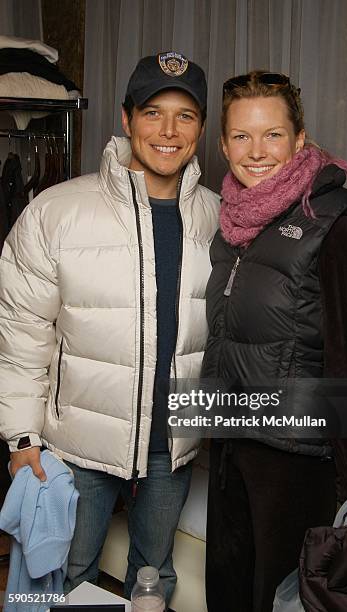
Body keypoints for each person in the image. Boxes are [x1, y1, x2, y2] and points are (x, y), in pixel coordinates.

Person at [0, 51, 219, 604]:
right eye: (152, 112)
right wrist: (22, 436)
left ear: (202, 127)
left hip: (174, 444)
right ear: (126, 119)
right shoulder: (57, 212)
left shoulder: (222, 219)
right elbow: (22, 332)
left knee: (155, 574)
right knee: (67, 578)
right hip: (79, 445)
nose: (168, 131)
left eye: (186, 115)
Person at [201, 71, 347, 612]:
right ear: (223, 143)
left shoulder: (337, 222)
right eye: (241, 136)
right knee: (228, 597)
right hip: (233, 445)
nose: (256, 152)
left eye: (273, 134)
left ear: (300, 138)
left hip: (296, 462)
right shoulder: (234, 222)